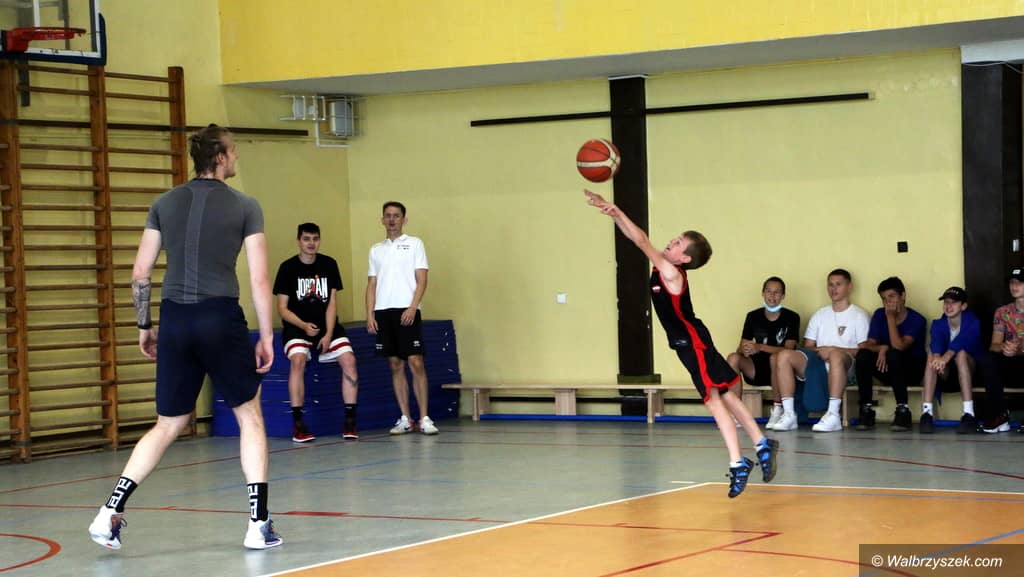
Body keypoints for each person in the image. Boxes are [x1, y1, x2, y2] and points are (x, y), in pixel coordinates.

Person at [88, 125, 282, 550]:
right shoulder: (246, 206)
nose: (237, 157)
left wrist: (145, 326)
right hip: (219, 316)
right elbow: (259, 278)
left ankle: (108, 512)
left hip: (174, 318)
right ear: (220, 157)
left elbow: (140, 273)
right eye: (234, 151)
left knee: (169, 423)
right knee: (249, 414)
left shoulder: (164, 202)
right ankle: (258, 525)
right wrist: (267, 335)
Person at [584, 190, 777, 499]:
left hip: (693, 343)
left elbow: (641, 241)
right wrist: (614, 216)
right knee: (726, 394)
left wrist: (617, 211)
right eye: (674, 240)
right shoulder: (664, 267)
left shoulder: (672, 273)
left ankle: (738, 461)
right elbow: (636, 240)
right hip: (692, 341)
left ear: (684, 258)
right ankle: (761, 443)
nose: (671, 242)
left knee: (714, 401)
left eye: (677, 243)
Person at [273, 223, 360, 442]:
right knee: (298, 361)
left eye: (315, 239)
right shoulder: (287, 268)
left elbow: (332, 303)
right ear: (298, 241)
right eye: (306, 239)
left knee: (349, 360)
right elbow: (282, 308)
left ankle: (350, 420)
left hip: (327, 326)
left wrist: (329, 333)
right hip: (297, 327)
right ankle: (298, 424)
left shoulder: (329, 264)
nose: (311, 243)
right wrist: (303, 325)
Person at [366, 201, 437, 435]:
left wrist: (413, 307)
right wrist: (370, 314)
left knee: (416, 362)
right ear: (382, 220)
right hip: (383, 312)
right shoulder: (376, 249)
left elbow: (422, 279)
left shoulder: (415, 244)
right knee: (395, 364)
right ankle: (405, 418)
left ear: (404, 220)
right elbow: (372, 284)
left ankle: (424, 418)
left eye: (396, 215)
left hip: (408, 310)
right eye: (388, 215)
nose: (392, 219)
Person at [774, 269, 870, 432]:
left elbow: (863, 351)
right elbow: (808, 346)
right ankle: (789, 414)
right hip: (818, 360)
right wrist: (823, 351)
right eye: (830, 284)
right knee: (784, 355)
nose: (833, 288)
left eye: (838, 284)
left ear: (849, 287)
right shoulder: (820, 314)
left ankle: (833, 415)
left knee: (836, 356)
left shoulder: (859, 315)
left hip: (846, 366)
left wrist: (832, 350)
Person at [853, 277, 927, 431]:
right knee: (863, 355)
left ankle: (903, 410)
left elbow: (899, 346)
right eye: (884, 299)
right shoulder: (879, 314)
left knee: (894, 354)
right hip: (887, 368)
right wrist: (882, 348)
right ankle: (866, 409)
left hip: (911, 371)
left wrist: (890, 317)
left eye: (892, 296)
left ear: (903, 296)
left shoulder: (917, 319)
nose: (888, 302)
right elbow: (869, 344)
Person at [726, 277, 800, 430]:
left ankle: (778, 410)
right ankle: (735, 413)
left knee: (775, 358)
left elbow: (789, 349)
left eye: (777, 292)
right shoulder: (753, 316)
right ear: (763, 293)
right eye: (769, 291)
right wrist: (745, 349)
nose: (772, 296)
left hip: (781, 371)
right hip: (756, 369)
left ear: (783, 296)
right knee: (733, 357)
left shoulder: (792, 317)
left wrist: (760, 347)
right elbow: (741, 347)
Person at [920, 286, 984, 434]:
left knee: (961, 353)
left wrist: (946, 356)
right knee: (931, 354)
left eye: (953, 302)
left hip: (971, 375)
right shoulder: (938, 324)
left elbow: (962, 341)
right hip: (946, 375)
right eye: (946, 302)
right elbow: (936, 343)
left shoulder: (973, 322)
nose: (948, 306)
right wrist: (937, 358)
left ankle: (969, 413)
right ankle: (927, 413)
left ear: (963, 306)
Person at [983, 268, 1024, 434]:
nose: (1014, 286)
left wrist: (1019, 349)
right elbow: (994, 344)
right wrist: (1005, 347)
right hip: (1009, 362)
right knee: (989, 359)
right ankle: (999, 415)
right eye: (1012, 282)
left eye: (1020, 282)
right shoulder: (1002, 312)